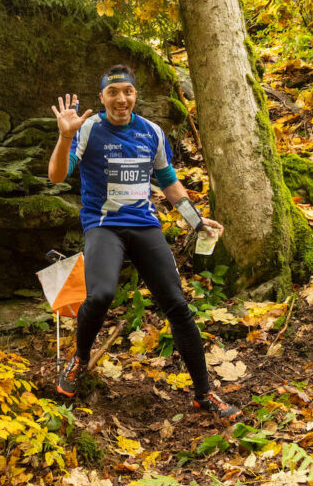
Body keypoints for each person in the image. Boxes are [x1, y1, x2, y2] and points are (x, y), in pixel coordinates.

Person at [47, 64, 242, 420]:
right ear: (102, 96)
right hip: (103, 226)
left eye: (128, 91)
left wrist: (195, 220)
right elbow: (57, 175)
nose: (121, 99)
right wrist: (63, 137)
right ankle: (80, 358)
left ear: (135, 95)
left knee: (177, 304)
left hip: (144, 225)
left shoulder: (151, 131)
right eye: (113, 92)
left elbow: (168, 180)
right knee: (101, 294)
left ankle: (204, 393)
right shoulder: (88, 128)